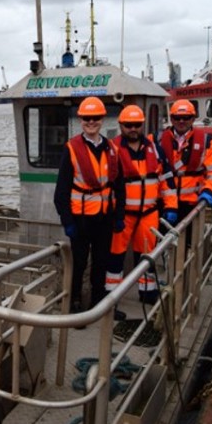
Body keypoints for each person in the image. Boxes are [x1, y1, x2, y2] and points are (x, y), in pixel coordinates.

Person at [54, 96, 125, 321]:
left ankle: (98, 302)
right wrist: (68, 222)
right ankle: (74, 304)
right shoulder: (72, 149)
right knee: (79, 262)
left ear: (102, 119)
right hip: (81, 219)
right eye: (87, 118)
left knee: (101, 263)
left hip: (104, 218)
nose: (91, 122)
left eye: (95, 118)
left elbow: (119, 186)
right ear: (81, 120)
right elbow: (61, 191)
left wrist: (119, 216)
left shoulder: (111, 149)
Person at [106, 105, 178, 305]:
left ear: (142, 125)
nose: (132, 128)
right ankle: (112, 297)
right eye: (128, 125)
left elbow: (167, 181)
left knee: (148, 256)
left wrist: (171, 207)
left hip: (149, 214)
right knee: (115, 257)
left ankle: (148, 294)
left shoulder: (155, 149)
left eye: (136, 125)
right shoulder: (112, 150)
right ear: (121, 125)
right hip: (122, 216)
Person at [159, 99, 212, 222]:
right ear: (171, 119)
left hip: (192, 202)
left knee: (190, 239)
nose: (181, 121)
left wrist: (208, 190)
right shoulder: (157, 139)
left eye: (186, 117)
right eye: (177, 118)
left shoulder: (206, 142)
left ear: (193, 119)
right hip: (164, 201)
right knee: (161, 238)